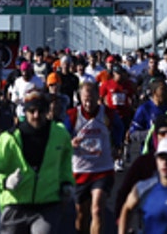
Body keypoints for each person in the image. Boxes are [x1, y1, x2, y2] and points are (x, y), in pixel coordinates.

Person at [0, 91, 75, 234]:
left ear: (48, 111)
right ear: (25, 111)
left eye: (41, 111)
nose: (36, 115)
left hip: (47, 205)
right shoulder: (10, 139)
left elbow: (65, 162)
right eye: (32, 111)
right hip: (15, 205)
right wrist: (4, 182)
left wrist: (67, 183)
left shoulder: (60, 135)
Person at [66, 80, 123, 234]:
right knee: (82, 214)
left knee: (97, 209)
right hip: (80, 170)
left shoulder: (107, 114)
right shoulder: (72, 115)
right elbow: (62, 138)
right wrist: (71, 143)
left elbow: (119, 128)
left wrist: (118, 146)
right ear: (80, 97)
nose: (88, 104)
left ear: (98, 97)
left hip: (102, 169)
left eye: (91, 100)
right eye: (85, 100)